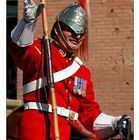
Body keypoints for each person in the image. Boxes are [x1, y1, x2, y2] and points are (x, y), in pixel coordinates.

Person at [8, 0, 131, 139]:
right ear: (57, 29)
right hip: (39, 129)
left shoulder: (82, 71)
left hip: (67, 132)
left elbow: (89, 112)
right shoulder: (41, 49)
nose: (77, 36)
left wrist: (114, 122)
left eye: (81, 33)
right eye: (71, 30)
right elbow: (19, 51)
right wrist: (27, 23)